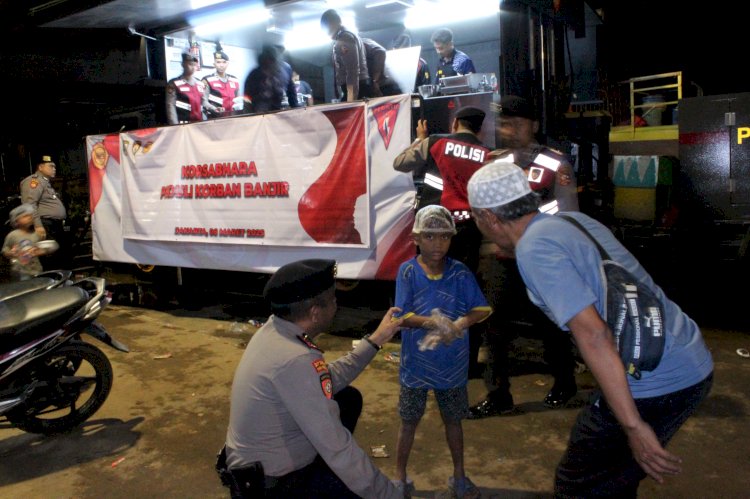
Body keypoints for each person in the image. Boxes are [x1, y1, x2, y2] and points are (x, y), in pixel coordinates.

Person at [466, 160, 714, 497]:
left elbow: (594, 334)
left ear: (490, 218)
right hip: (690, 357)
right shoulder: (573, 221)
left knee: (578, 485)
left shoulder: (534, 248)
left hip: (655, 379)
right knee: (612, 480)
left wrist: (633, 425)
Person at [218, 258, 404, 498]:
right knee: (355, 481)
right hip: (271, 486)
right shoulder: (294, 359)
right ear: (315, 313)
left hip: (258, 467)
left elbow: (325, 378)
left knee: (347, 398)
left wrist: (376, 339)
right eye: (333, 299)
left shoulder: (276, 329)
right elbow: (338, 448)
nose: (337, 304)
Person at [468, 95, 580, 418]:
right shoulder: (493, 162)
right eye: (505, 123)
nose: (509, 129)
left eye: (517, 123)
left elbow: (567, 214)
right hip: (502, 260)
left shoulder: (555, 164)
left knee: (552, 325)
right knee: (494, 328)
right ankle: (498, 394)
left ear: (534, 125)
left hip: (543, 261)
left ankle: (565, 382)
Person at [392, 205, 491, 499]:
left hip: (452, 365)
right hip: (416, 365)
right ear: (417, 239)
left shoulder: (460, 273)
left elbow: (481, 308)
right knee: (408, 421)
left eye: (444, 237)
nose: (438, 244)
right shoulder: (407, 271)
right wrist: (432, 321)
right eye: (430, 237)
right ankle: (399, 477)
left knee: (454, 421)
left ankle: (459, 476)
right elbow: (400, 317)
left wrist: (459, 323)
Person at [393, 106, 489, 273]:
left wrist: (420, 140)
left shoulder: (436, 143)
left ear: (455, 123)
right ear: (479, 130)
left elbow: (400, 163)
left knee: (431, 276)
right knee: (463, 276)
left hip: (432, 225)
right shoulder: (487, 154)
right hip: (468, 229)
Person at [20, 155, 67, 270]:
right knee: (49, 257)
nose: (54, 169)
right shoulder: (34, 181)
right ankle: (50, 282)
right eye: (51, 166)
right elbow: (29, 204)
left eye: (55, 166)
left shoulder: (45, 182)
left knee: (57, 256)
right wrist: (38, 225)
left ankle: (58, 281)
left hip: (53, 224)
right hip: (45, 224)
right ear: (40, 167)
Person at [320, 9, 371, 102]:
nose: (326, 33)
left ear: (331, 24)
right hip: (358, 86)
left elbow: (352, 71)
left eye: (324, 28)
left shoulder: (345, 38)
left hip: (357, 88)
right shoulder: (347, 35)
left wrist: (351, 99)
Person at [2, 204, 56, 281]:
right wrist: (11, 253)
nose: (29, 218)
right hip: (20, 271)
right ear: (16, 220)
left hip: (36, 270)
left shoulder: (35, 234)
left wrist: (40, 251)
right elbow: (5, 250)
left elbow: (42, 248)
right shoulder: (12, 235)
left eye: (30, 216)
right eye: (25, 216)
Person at [243, 44, 299, 114]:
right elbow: (246, 99)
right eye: (265, 66)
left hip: (278, 111)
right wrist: (249, 116)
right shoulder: (253, 76)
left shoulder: (286, 69)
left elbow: (291, 92)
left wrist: (296, 110)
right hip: (259, 112)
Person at [166, 52, 218, 125]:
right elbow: (170, 106)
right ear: (183, 64)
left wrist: (214, 108)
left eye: (195, 65)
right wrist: (174, 125)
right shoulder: (174, 84)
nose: (193, 67)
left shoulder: (200, 83)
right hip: (182, 125)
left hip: (199, 123)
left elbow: (203, 102)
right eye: (190, 64)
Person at [202, 46, 243, 118]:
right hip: (215, 118)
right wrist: (214, 109)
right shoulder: (208, 80)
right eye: (218, 62)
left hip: (233, 117)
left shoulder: (234, 80)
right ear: (214, 64)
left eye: (224, 62)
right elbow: (203, 101)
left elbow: (239, 101)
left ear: (228, 63)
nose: (221, 65)